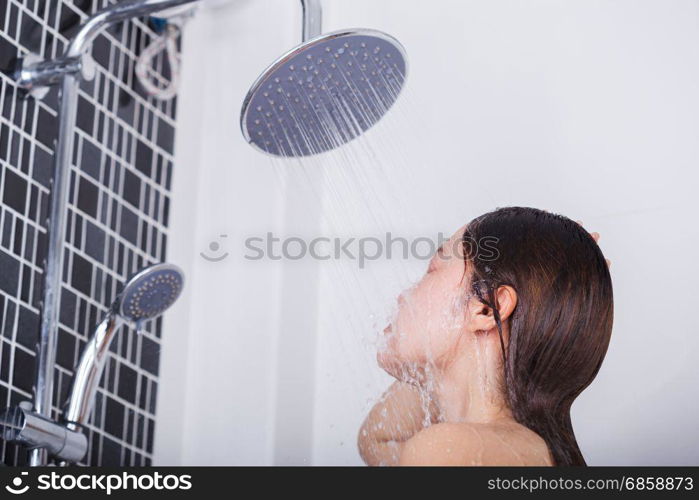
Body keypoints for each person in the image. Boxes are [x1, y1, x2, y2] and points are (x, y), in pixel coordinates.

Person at [358, 207, 613, 466]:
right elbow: (377, 441)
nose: (403, 295)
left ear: (487, 307)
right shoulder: (512, 448)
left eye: (432, 269)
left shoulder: (447, 450)